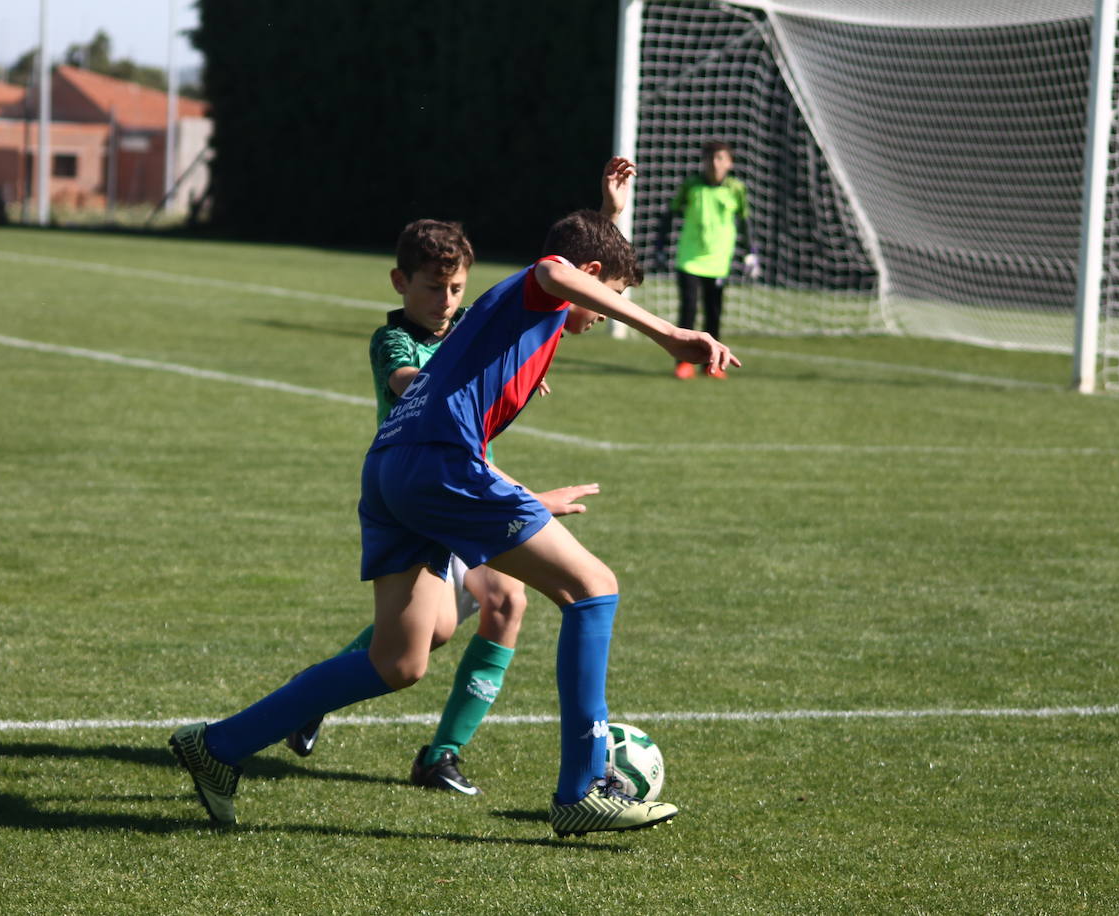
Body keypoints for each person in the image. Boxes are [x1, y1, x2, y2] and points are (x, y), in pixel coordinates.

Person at [169, 208, 738, 838]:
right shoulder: (541, 290)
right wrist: (667, 333)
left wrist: (609, 212)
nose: (606, 313)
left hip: (392, 470)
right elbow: (558, 267)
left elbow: (575, 261)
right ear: (595, 277)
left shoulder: (528, 320)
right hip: (439, 466)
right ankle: (581, 791)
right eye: (613, 297)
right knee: (592, 588)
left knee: (399, 659)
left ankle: (218, 746)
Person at [283, 158, 638, 798]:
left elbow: (565, 279)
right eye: (431, 289)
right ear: (401, 284)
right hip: (426, 487)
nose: (446, 302)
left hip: (469, 476)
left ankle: (442, 752)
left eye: (455, 290)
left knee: (505, 603)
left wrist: (609, 216)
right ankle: (316, 692)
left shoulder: (473, 326)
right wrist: (474, 371)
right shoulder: (394, 342)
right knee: (428, 633)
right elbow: (414, 384)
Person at [657, 140, 759, 380]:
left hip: (719, 262)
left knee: (714, 313)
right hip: (689, 259)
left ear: (730, 163)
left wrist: (750, 252)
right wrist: (660, 247)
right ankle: (683, 362)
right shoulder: (691, 186)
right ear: (703, 162)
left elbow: (745, 222)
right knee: (688, 311)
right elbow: (670, 215)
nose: (715, 163)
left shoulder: (736, 189)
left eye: (721, 158)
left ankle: (711, 364)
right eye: (710, 158)